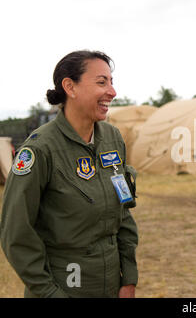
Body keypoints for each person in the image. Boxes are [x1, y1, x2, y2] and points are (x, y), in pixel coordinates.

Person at [0, 50, 139, 298]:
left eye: (111, 81)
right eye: (101, 82)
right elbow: (16, 233)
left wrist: (128, 278)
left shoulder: (112, 139)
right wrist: (49, 293)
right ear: (70, 87)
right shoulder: (39, 150)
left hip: (110, 285)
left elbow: (124, 212)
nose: (112, 92)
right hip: (63, 287)